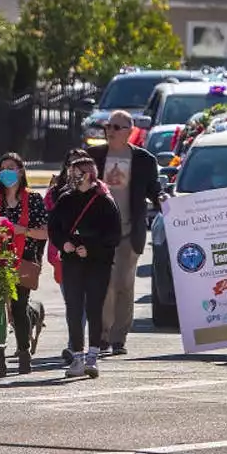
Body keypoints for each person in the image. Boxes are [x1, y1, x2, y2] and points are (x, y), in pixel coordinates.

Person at [87, 110, 163, 355]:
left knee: (124, 284)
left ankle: (120, 337)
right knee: (105, 284)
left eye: (117, 127)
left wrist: (166, 200)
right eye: (108, 126)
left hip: (129, 232)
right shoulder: (93, 157)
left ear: (130, 132)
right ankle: (103, 336)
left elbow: (154, 191)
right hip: (100, 234)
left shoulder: (144, 160)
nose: (110, 131)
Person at [48, 157, 122, 378]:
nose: (72, 177)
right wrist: (64, 244)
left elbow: (113, 236)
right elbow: (54, 228)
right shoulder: (65, 199)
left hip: (98, 263)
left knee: (94, 308)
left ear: (89, 175)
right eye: (71, 172)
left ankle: (93, 356)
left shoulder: (104, 201)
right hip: (71, 262)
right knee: (73, 307)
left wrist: (90, 248)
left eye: (77, 173)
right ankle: (77, 356)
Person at [0, 152, 49, 377]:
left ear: (20, 171)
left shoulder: (33, 200)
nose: (6, 172)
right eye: (2, 169)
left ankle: (23, 354)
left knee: (19, 307)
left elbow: (44, 233)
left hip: (24, 259)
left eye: (11, 167)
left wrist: (24, 231)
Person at [46, 148, 89, 362]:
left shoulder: (97, 191)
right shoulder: (55, 192)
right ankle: (76, 344)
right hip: (63, 254)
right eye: (72, 164)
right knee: (72, 302)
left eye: (81, 164)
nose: (76, 169)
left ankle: (75, 347)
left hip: (89, 254)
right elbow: (50, 223)